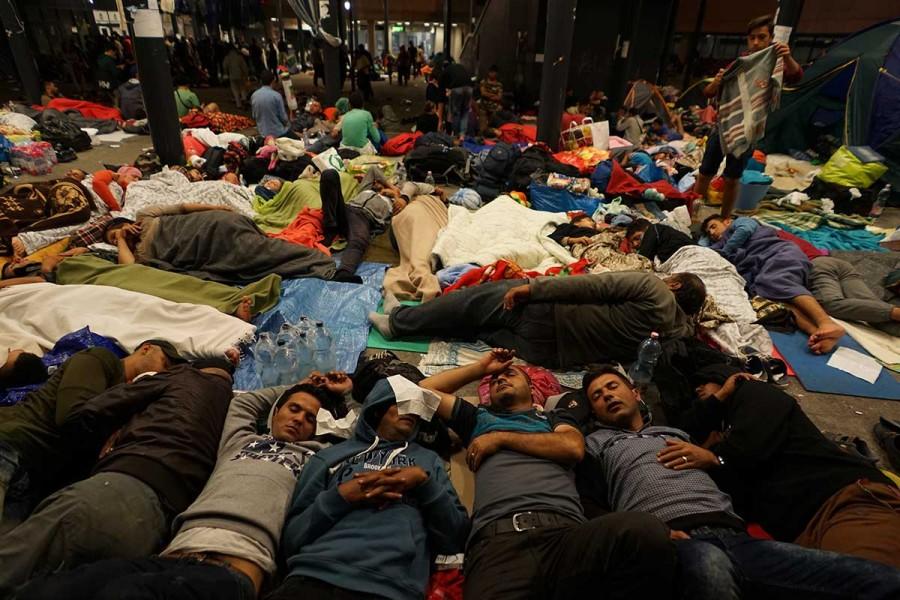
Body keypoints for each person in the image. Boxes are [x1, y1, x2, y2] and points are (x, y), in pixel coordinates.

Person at [578, 365, 900, 599]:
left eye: (612, 387)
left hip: (738, 536)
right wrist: (645, 533)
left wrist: (723, 394)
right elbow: (589, 504)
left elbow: (700, 420)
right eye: (597, 396)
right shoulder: (596, 444)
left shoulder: (675, 432)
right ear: (594, 412)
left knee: (878, 579)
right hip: (675, 539)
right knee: (711, 570)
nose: (607, 395)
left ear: (635, 393)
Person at [16, 378, 345, 600]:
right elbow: (247, 404)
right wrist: (302, 385)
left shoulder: (315, 459)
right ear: (276, 412)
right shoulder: (240, 441)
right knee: (54, 589)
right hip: (175, 553)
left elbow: (362, 431)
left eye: (310, 417)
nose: (300, 418)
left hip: (235, 567)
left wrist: (341, 393)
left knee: (125, 594)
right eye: (294, 408)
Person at [417, 348, 676, 599]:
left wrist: (500, 439)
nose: (501, 378)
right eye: (495, 379)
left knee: (646, 531)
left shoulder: (554, 418)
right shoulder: (477, 419)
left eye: (510, 375)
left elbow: (572, 448)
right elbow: (423, 389)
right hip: (499, 544)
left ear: (531, 390)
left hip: (566, 536)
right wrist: (480, 368)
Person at [0, 360, 235, 593]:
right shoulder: (233, 412)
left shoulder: (183, 376)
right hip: (154, 533)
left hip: (113, 491)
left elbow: (96, 408)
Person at [666, 364, 900, 569]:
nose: (697, 391)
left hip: (844, 502)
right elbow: (685, 430)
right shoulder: (726, 431)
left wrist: (715, 457)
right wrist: (714, 410)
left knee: (865, 580)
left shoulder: (754, 392)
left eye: (703, 383)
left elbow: (751, 449)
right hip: (802, 532)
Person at [268, 377, 469, 600]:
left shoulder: (428, 461)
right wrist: (342, 496)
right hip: (315, 574)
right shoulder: (330, 456)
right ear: (377, 409)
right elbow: (293, 539)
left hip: (392, 586)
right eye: (401, 403)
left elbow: (456, 536)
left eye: (416, 406)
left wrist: (425, 484)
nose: (411, 411)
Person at [370, 271, 704, 369]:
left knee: (475, 301)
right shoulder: (674, 333)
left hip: (546, 317)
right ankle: (406, 317)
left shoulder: (654, 288)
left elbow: (588, 286)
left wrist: (532, 288)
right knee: (476, 326)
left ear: (674, 284)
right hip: (548, 355)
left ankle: (398, 322)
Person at [0, 340, 181, 519]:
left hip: (30, 475)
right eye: (164, 364)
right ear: (146, 349)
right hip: (13, 442)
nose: (162, 373)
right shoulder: (101, 359)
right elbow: (71, 417)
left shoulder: (129, 400)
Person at [694, 14, 804, 217]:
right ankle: (690, 213)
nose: (756, 42)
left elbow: (796, 76)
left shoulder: (775, 62)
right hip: (722, 127)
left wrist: (787, 57)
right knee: (705, 173)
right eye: (752, 37)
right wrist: (718, 82)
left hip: (747, 130)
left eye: (761, 37)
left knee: (732, 178)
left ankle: (725, 218)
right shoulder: (739, 64)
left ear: (770, 38)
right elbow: (708, 93)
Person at [701, 214, 845, 353]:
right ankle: (817, 334)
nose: (712, 232)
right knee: (772, 301)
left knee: (777, 281)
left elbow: (745, 230)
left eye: (713, 226)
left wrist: (725, 251)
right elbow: (700, 249)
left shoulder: (741, 223)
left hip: (777, 254)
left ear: (727, 221)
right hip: (758, 270)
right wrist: (706, 240)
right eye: (708, 232)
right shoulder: (719, 244)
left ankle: (826, 322)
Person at [101, 203, 336, 285]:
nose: (118, 237)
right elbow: (128, 270)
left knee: (263, 250)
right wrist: (121, 238)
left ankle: (321, 263)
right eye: (113, 240)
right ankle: (317, 265)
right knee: (258, 260)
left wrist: (216, 208)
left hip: (214, 227)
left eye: (116, 232)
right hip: (209, 252)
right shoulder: (138, 255)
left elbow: (183, 208)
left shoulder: (145, 216)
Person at [319, 168, 438, 283]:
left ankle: (344, 272)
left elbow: (422, 189)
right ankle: (330, 226)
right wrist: (391, 186)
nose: (376, 184)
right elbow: (373, 170)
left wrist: (396, 194)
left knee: (359, 240)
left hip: (365, 217)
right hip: (347, 209)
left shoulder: (397, 201)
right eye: (377, 182)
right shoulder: (365, 189)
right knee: (329, 174)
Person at [809, 256, 900, 337]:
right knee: (830, 305)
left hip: (842, 269)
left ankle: (895, 313)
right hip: (823, 265)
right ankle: (896, 312)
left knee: (875, 313)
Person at [623, 219, 694, 263]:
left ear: (647, 228)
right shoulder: (659, 247)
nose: (635, 244)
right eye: (632, 242)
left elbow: (641, 260)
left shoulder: (655, 228)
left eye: (637, 238)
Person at [251, 70, 292, 139]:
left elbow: (254, 116)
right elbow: (284, 118)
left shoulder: (254, 96)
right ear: (273, 81)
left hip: (262, 134)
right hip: (278, 133)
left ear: (261, 81)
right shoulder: (276, 96)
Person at [440, 60, 473, 138]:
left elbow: (441, 92)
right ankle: (462, 136)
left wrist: (440, 120)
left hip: (457, 89)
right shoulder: (459, 66)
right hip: (469, 88)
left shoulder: (445, 71)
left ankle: (456, 136)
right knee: (465, 113)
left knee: (456, 113)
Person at [222, 44, 250, 109]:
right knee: (242, 88)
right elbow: (244, 67)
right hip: (240, 75)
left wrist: (226, 73)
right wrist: (246, 75)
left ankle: (238, 104)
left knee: (235, 90)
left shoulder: (227, 57)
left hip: (232, 75)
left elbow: (224, 66)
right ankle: (244, 99)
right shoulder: (239, 57)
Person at [478, 65, 503, 131]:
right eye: (491, 72)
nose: (492, 74)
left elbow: (499, 97)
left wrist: (488, 95)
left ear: (497, 73)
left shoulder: (499, 85)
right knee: (483, 128)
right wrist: (494, 95)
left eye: (494, 72)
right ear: (488, 72)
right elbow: (483, 93)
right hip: (483, 108)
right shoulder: (483, 82)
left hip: (494, 109)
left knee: (493, 128)